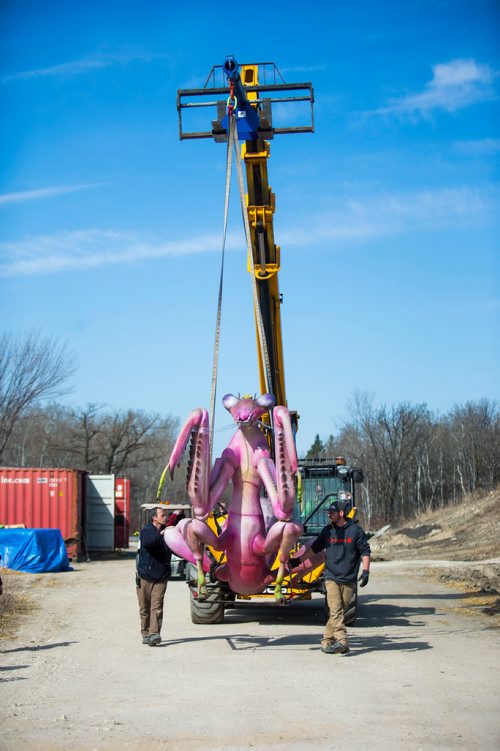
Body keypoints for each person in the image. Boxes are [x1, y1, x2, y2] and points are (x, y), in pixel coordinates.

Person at [290, 499, 371, 655]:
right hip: (331, 577)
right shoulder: (328, 531)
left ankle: (326, 641)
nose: (329, 514)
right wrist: (297, 561)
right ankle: (342, 641)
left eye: (332, 512)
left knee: (338, 612)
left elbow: (365, 552)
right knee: (335, 611)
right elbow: (313, 549)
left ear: (341, 514)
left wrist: (366, 571)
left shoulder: (356, 531)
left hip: (349, 579)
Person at [136, 506, 172, 646]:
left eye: (165, 515)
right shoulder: (146, 531)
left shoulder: (167, 532)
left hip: (161, 576)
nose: (165, 517)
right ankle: (145, 633)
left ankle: (154, 634)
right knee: (144, 608)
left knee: (156, 606)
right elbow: (149, 542)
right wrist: (161, 533)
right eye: (162, 515)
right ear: (154, 518)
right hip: (145, 576)